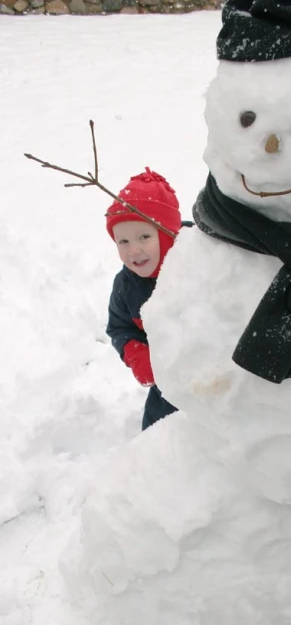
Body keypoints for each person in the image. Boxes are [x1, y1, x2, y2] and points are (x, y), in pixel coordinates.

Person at [105, 167, 187, 430]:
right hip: (170, 381)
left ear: (167, 232)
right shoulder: (126, 286)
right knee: (158, 432)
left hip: (220, 371)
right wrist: (136, 353)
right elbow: (119, 327)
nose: (134, 250)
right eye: (123, 241)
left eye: (144, 236)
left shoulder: (199, 257)